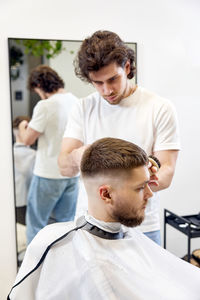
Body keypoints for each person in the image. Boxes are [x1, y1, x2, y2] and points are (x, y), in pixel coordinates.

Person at [8, 138, 200, 300]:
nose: (150, 193)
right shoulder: (88, 263)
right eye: (141, 187)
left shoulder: (125, 238)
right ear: (106, 194)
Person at [58, 30, 181, 245]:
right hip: (89, 223)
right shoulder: (83, 108)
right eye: (98, 83)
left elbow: (167, 171)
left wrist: (133, 185)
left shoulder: (159, 108)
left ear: (126, 67)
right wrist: (82, 155)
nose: (107, 90)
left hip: (141, 226)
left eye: (113, 79)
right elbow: (64, 166)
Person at [19, 65, 79, 244]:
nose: (38, 94)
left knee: (36, 224)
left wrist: (23, 127)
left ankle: (34, 269)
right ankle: (60, 267)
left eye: (37, 90)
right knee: (65, 226)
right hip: (71, 174)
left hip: (47, 175)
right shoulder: (76, 101)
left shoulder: (46, 105)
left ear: (39, 85)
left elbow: (27, 140)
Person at [13, 116, 36, 225]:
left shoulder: (7, 154)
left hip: (17, 203)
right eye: (27, 128)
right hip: (27, 204)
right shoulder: (35, 155)